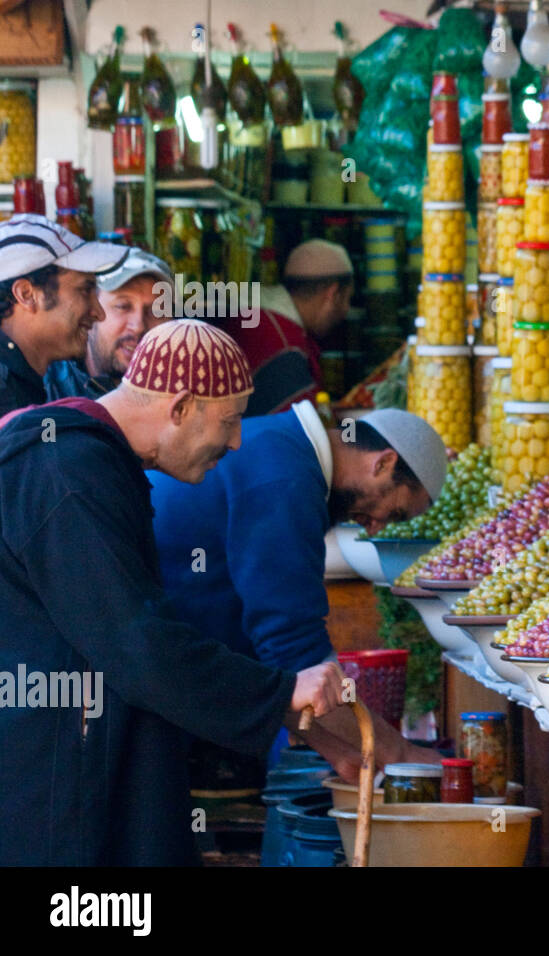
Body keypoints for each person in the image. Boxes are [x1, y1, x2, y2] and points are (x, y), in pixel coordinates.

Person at [0, 320, 346, 865]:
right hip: (53, 774)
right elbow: (136, 644)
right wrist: (277, 693)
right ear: (181, 406)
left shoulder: (92, 459)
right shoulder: (66, 469)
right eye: (230, 421)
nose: (236, 442)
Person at [149, 402, 447, 773]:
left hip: (160, 674)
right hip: (143, 681)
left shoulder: (286, 449)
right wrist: (399, 754)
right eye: (396, 512)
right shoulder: (285, 478)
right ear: (383, 463)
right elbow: (292, 651)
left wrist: (343, 752)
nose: (375, 528)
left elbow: (281, 671)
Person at [0, 214, 126, 416]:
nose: (99, 314)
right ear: (27, 294)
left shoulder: (22, 381)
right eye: (85, 290)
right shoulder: (5, 395)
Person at [222, 238, 354, 417]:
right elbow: (303, 433)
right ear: (332, 294)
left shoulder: (259, 316)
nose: (346, 310)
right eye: (347, 299)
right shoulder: (284, 345)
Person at [45, 248, 174, 399]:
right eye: (122, 307)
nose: (138, 326)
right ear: (90, 312)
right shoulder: (46, 391)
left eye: (155, 311)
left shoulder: (186, 394)